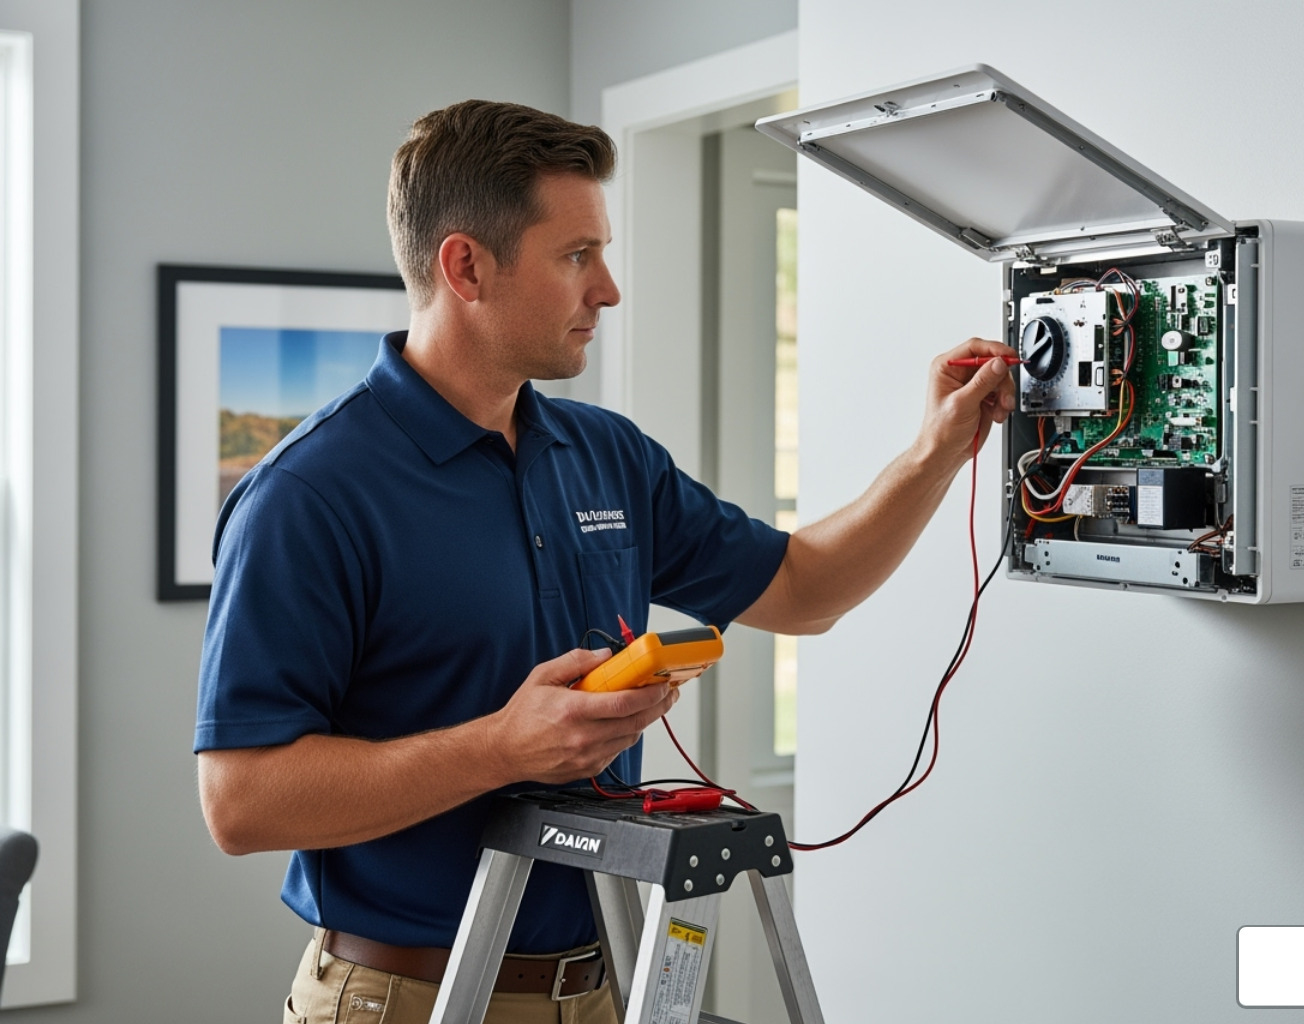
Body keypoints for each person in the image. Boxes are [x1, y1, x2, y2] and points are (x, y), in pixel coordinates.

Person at [195, 100, 1016, 1024]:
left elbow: (803, 589)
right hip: (404, 999)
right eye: (576, 255)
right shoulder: (310, 494)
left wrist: (936, 451)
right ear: (466, 266)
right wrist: (500, 746)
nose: (609, 289)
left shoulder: (608, 456)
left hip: (604, 991)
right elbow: (241, 802)